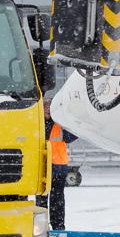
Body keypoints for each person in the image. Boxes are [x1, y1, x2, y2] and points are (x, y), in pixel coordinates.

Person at [37, 97, 77, 230]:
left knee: (57, 197)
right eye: (45, 107)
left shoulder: (60, 124)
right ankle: (41, 226)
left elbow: (72, 135)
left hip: (58, 166)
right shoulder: (36, 124)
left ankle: (58, 226)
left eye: (50, 107)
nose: (47, 109)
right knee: (42, 198)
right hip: (42, 166)